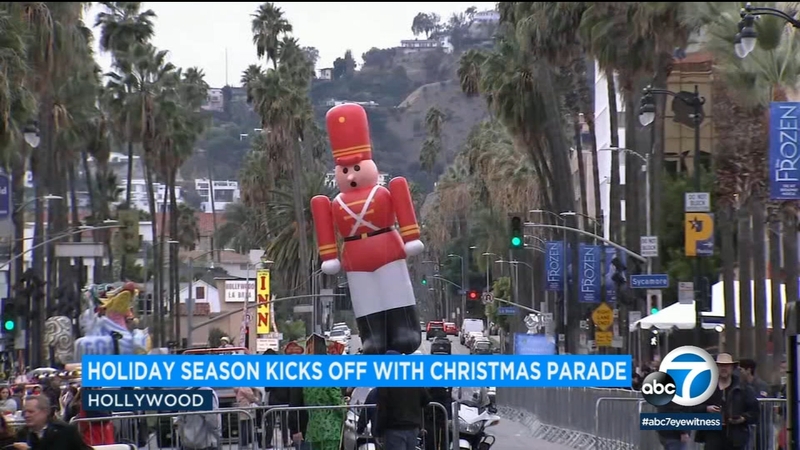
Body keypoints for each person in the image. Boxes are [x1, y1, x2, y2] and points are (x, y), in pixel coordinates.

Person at [695, 353, 760, 450]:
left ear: (732, 368)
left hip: (735, 437)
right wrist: (706, 408)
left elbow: (755, 412)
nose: (723, 368)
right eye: (721, 366)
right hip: (712, 435)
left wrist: (743, 418)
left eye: (726, 366)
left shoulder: (744, 389)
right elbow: (693, 408)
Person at [376, 352, 430, 450]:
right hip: (413, 427)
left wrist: (378, 430)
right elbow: (426, 399)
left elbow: (382, 408)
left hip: (394, 428)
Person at [13, 395, 89, 450]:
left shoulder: (65, 431)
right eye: (24, 412)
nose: (26, 415)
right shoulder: (22, 434)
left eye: (31, 412)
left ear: (45, 412)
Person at [739, 359, 770, 450]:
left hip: (761, 425)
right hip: (746, 426)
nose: (739, 372)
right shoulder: (741, 386)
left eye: (741, 369)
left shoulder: (762, 385)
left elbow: (763, 404)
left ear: (748, 370)